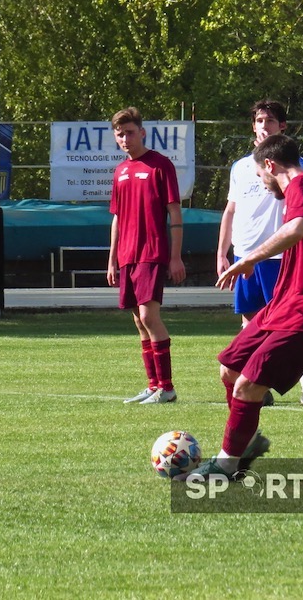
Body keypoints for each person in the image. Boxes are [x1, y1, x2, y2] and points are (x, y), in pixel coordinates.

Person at [180, 135, 303, 480]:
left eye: (260, 175)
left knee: (248, 385)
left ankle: (226, 465)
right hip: (285, 305)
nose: (262, 183)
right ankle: (245, 442)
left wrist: (249, 258)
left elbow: (297, 228)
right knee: (229, 370)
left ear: (271, 166)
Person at [216, 99, 303, 407]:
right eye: (259, 121)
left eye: (270, 121)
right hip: (245, 255)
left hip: (279, 256)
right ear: (253, 126)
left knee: (291, 322)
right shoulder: (241, 167)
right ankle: (256, 385)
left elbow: (300, 216)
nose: (264, 126)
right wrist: (222, 252)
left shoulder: (293, 167)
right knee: (250, 321)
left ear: (282, 127)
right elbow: (231, 210)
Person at [106, 107, 187, 405]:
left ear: (142, 132)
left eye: (130, 132)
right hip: (127, 255)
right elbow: (116, 217)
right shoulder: (120, 171)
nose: (125, 139)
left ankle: (167, 386)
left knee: (148, 315)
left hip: (152, 252)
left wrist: (175, 256)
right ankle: (153, 385)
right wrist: (112, 258)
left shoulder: (160, 165)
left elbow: (174, 211)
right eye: (120, 134)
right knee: (138, 322)